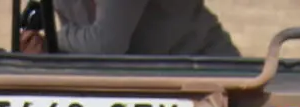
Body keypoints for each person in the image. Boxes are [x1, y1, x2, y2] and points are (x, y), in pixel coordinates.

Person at [20, 0, 239, 56]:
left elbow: (105, 43)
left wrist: (49, 40)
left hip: (204, 70)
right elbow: (80, 49)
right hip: (141, 77)